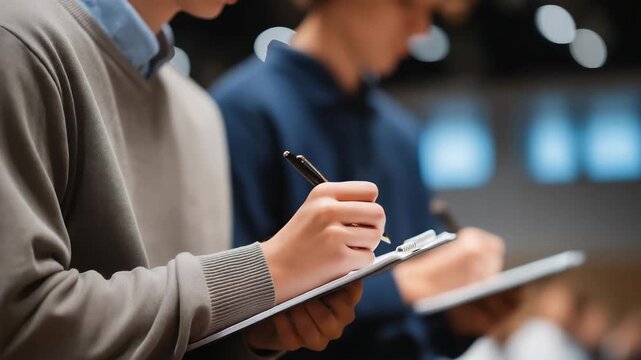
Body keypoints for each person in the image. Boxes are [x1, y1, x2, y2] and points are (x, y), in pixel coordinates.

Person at [0, 0, 387, 358]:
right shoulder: (17, 41)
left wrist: (250, 331)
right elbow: (20, 325)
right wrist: (267, 270)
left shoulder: (201, 114)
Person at [211, 0, 516, 358]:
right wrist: (412, 283)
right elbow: (232, 311)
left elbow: (405, 332)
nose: (422, 29)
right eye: (409, 5)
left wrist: (455, 319)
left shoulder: (400, 134)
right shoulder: (241, 112)